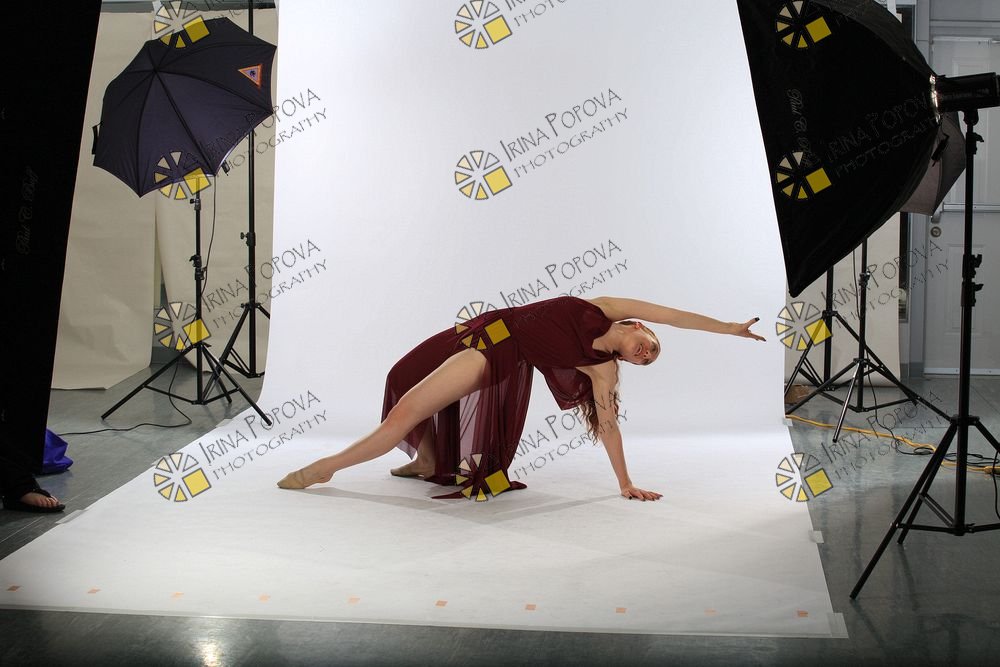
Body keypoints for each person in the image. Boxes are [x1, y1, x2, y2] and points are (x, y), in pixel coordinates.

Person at [277, 295, 765, 501]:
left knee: (405, 413)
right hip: (481, 327)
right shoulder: (606, 307)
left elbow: (609, 425)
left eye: (648, 360)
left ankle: (326, 468)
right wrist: (728, 328)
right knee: (400, 376)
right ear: (639, 327)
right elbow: (674, 315)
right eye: (650, 346)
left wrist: (626, 482)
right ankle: (425, 460)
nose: (646, 354)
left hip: (495, 353)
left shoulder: (602, 370)